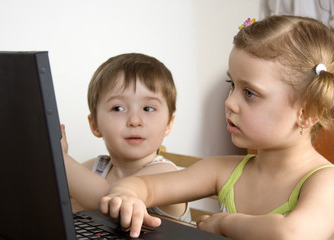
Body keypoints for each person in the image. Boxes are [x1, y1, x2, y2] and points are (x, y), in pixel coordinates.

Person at [99, 15, 334, 239]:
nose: (230, 102)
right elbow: (142, 186)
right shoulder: (220, 170)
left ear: (307, 113)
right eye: (232, 84)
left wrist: (224, 223)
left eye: (250, 93)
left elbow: (292, 234)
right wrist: (126, 196)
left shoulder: (326, 181)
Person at [61, 53, 191, 223]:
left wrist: (60, 159)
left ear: (169, 123)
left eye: (148, 108)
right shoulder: (97, 168)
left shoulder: (166, 173)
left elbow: (110, 200)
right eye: (118, 108)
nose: (134, 121)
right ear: (94, 124)